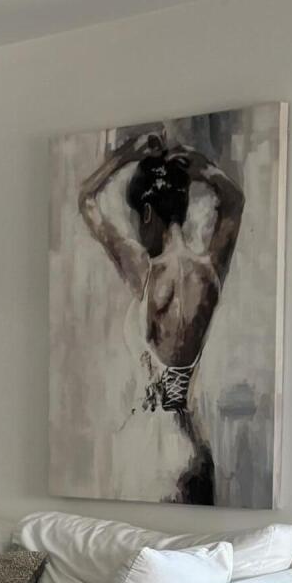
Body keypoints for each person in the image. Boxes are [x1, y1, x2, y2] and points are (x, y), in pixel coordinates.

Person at [77, 129, 244, 504]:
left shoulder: (146, 273)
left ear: (147, 213)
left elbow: (87, 201)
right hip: (194, 448)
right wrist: (202, 168)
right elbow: (234, 202)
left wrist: (124, 156)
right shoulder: (210, 270)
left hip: (152, 447)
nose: (137, 228)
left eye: (138, 218)